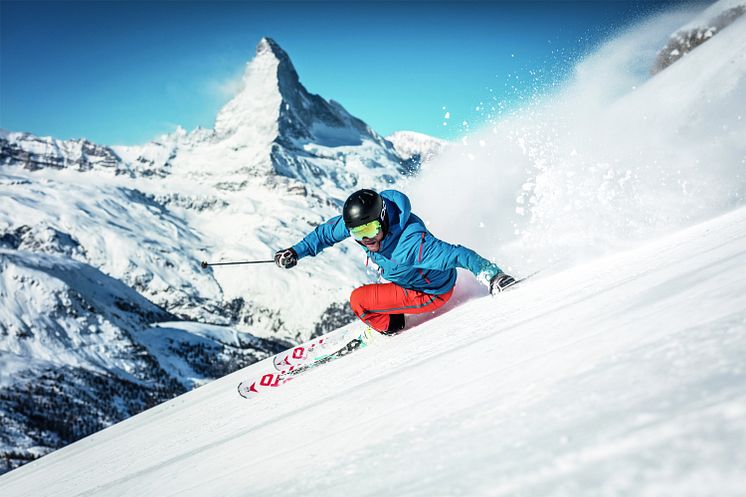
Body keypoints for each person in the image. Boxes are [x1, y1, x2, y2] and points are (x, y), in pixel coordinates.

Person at [274, 189, 516, 334]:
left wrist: (493, 276)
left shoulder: (411, 245)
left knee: (359, 302)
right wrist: (296, 252)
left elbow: (458, 255)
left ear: (382, 219)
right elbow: (325, 233)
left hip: (429, 292)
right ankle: (395, 309)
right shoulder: (363, 221)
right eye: (357, 234)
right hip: (412, 278)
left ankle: (394, 326)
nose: (366, 239)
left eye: (369, 230)